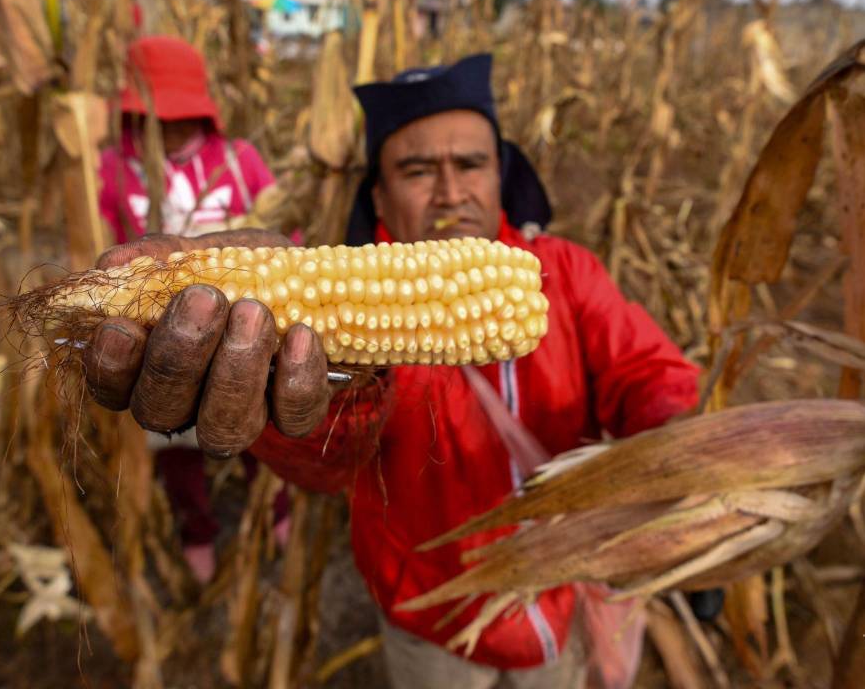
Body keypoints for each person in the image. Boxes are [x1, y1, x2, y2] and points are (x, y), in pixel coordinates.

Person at [81, 54, 700, 687]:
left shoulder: (566, 273)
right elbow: (329, 458)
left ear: (501, 174)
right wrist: (329, 383)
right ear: (378, 194)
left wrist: (690, 462)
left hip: (555, 603)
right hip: (432, 618)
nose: (451, 192)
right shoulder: (342, 333)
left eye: (470, 165)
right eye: (417, 170)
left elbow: (647, 374)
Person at [98, 35, 285, 583]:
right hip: (163, 339)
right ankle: (197, 530)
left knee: (257, 427)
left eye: (181, 118)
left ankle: (275, 511)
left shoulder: (240, 161)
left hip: (249, 327)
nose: (171, 129)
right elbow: (102, 244)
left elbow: (283, 233)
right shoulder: (112, 170)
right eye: (156, 118)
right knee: (172, 440)